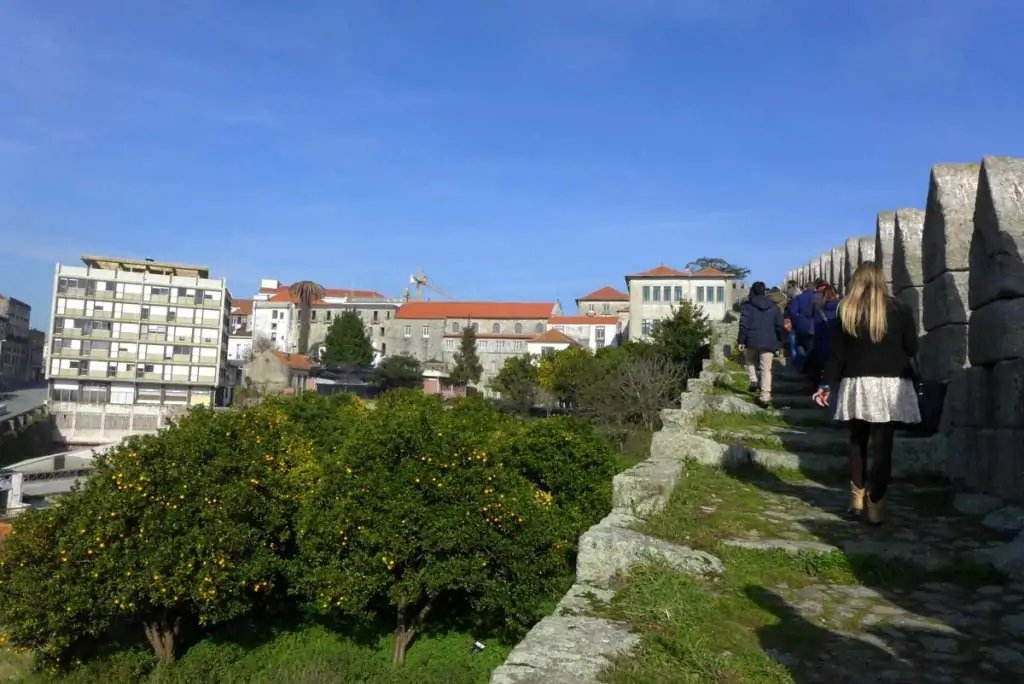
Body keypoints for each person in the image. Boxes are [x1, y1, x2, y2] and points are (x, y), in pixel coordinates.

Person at [812, 262, 920, 526]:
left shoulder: (847, 310)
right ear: (882, 280)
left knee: (857, 441)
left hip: (857, 382)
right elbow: (912, 347)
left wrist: (825, 385)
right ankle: (876, 503)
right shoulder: (900, 310)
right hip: (890, 383)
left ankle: (856, 499)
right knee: (884, 446)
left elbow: (837, 355)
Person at [738, 281, 786, 406]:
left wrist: (741, 341)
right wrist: (780, 341)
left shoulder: (747, 306)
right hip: (769, 341)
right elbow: (780, 326)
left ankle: (753, 379)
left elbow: (743, 325)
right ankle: (765, 396)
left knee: (749, 359)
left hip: (752, 339)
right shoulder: (775, 308)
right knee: (766, 369)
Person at [787, 279, 827, 374]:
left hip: (801, 326)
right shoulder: (820, 297)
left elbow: (792, 311)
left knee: (800, 345)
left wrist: (797, 321)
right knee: (812, 347)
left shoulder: (798, 298)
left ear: (805, 288)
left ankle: (801, 365)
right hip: (816, 325)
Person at [806, 285, 840, 386]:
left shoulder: (819, 311)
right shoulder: (842, 310)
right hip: (837, 348)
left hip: (822, 347)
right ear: (837, 295)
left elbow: (817, 331)